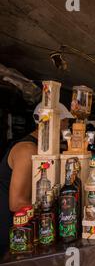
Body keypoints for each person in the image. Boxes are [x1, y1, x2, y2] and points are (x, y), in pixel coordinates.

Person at [0, 102, 73, 253]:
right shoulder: (27, 150)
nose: (67, 127)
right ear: (55, 122)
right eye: (66, 121)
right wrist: (57, 213)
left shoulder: (42, 150)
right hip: (10, 234)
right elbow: (16, 203)